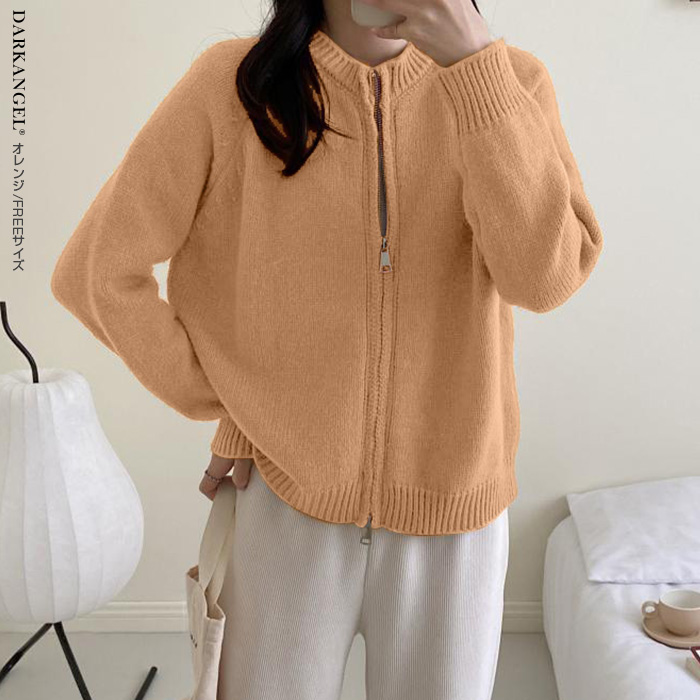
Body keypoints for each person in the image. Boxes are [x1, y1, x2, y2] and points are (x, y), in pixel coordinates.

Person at [50, 0, 604, 698]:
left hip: (456, 514)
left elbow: (543, 280)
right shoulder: (235, 87)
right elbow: (96, 273)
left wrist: (475, 72)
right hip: (285, 509)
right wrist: (235, 407)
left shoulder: (510, 84)